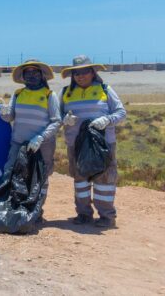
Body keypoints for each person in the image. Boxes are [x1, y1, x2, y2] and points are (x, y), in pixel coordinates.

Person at [60, 55, 126, 228]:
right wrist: (64, 120)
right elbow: (56, 116)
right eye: (76, 73)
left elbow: (121, 112)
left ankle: (106, 216)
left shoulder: (105, 89)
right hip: (76, 144)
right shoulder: (65, 93)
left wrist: (107, 120)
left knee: (104, 179)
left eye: (84, 71)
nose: (80, 76)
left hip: (103, 144)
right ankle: (83, 214)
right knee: (80, 179)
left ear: (93, 72)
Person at [0, 60, 61, 199]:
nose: (31, 75)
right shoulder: (18, 94)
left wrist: (41, 137)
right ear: (23, 76)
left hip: (42, 145)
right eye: (27, 72)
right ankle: (14, 206)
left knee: (41, 176)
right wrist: (4, 112)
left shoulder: (49, 95)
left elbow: (56, 121)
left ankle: (37, 211)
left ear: (41, 75)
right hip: (18, 142)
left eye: (35, 72)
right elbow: (11, 117)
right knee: (11, 171)